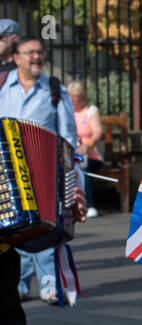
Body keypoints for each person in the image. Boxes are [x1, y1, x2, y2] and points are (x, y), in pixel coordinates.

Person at [0, 37, 78, 303]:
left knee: (45, 224)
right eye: (30, 52)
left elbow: (68, 136)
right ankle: (19, 284)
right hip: (8, 170)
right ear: (16, 57)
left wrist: (73, 178)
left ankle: (48, 282)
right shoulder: (1, 86)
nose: (36, 57)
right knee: (13, 225)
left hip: (44, 168)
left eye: (40, 52)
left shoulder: (55, 89)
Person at [67, 81, 102, 217]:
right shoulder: (66, 110)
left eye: (74, 97)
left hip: (90, 155)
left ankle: (88, 204)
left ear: (81, 97)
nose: (70, 100)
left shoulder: (91, 111)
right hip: (70, 153)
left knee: (82, 168)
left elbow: (97, 131)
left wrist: (87, 145)